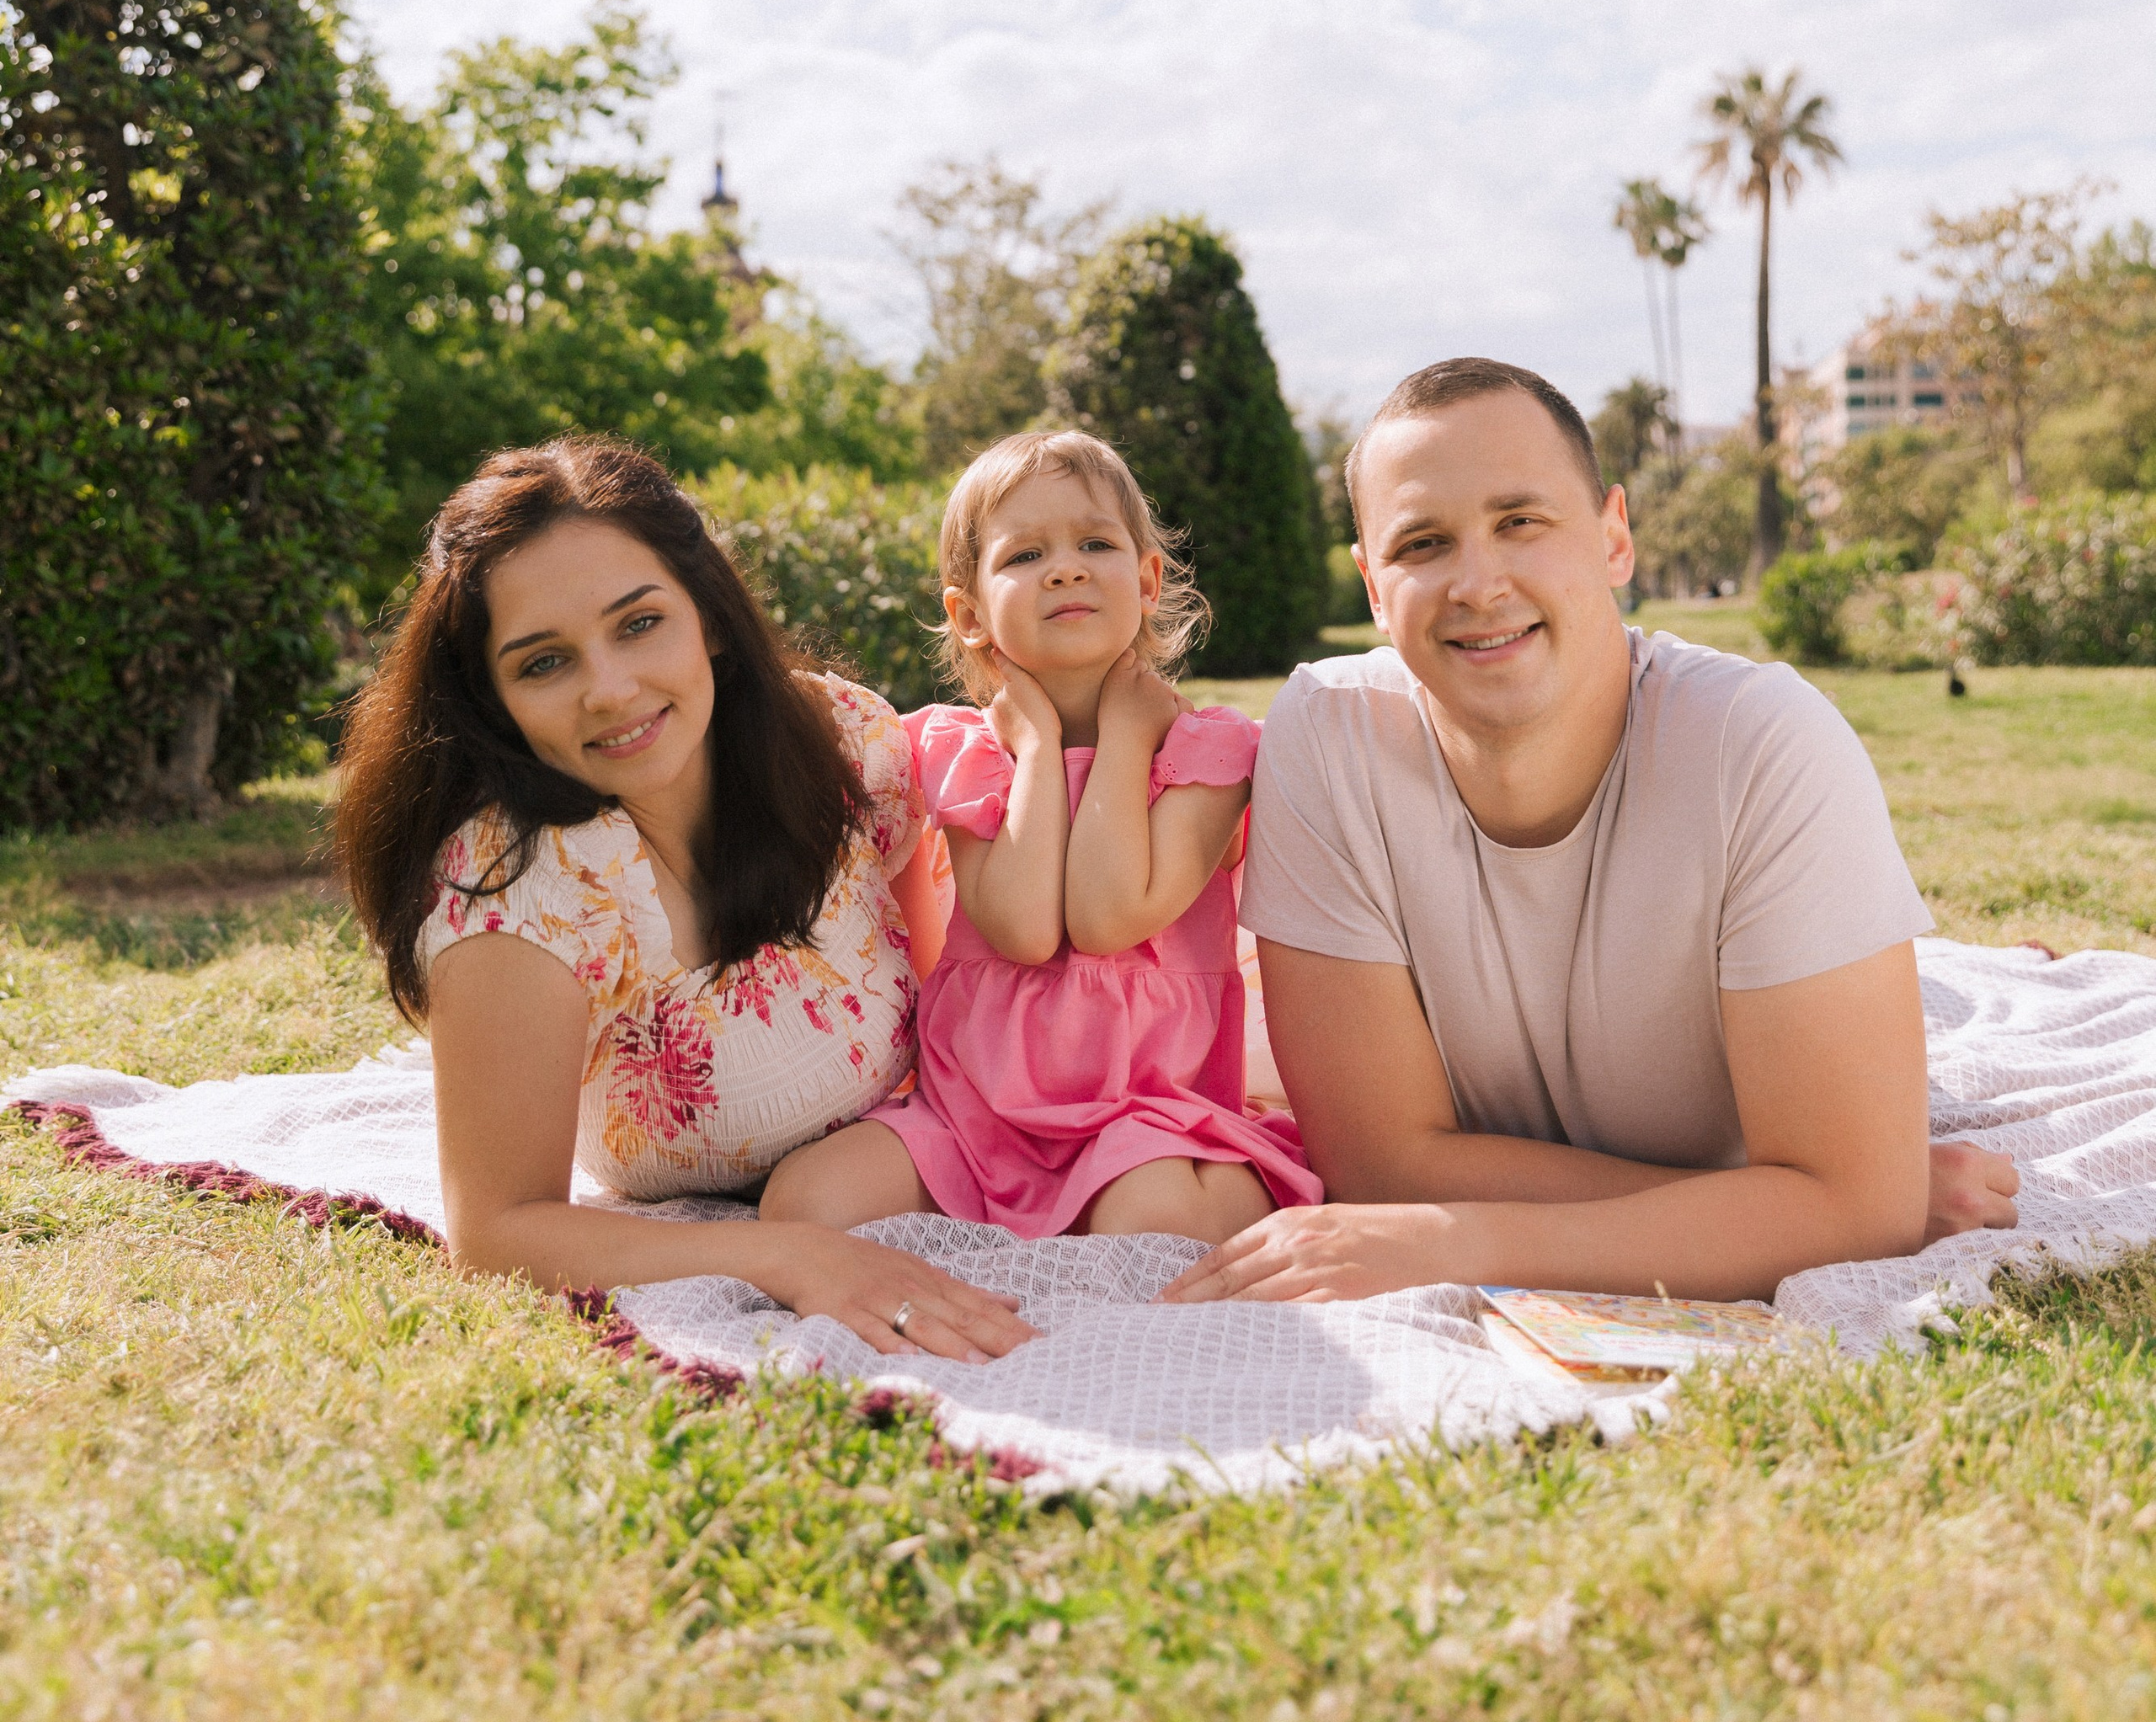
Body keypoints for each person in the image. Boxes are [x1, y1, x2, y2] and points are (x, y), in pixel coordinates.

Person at [1163, 356, 2020, 1311]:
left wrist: (1455, 1239)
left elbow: (1851, 1209)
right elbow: (1379, 1166)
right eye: (1423, 544)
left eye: (1520, 522)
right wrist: (1781, 1208)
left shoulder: (1762, 743)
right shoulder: (1327, 733)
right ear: (1372, 582)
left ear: (1614, 540)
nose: (1477, 583)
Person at [335, 438, 1032, 1367]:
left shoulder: (844, 749)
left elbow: (940, 995)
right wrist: (789, 1256)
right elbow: (497, 1230)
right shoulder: (522, 890)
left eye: (639, 623)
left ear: (708, 616)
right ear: (494, 701)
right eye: (544, 663)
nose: (610, 690)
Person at [760, 429, 1321, 1239]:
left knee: (1153, 1217)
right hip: (974, 1115)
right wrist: (1034, 751)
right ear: (970, 614)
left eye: (1096, 544)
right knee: (807, 1200)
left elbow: (1106, 917)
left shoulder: (1208, 753)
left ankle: (1196, 1193)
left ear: (1148, 580)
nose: (1065, 570)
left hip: (1145, 1115)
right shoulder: (969, 751)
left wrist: (1127, 736)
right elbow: (1024, 930)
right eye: (1025, 556)